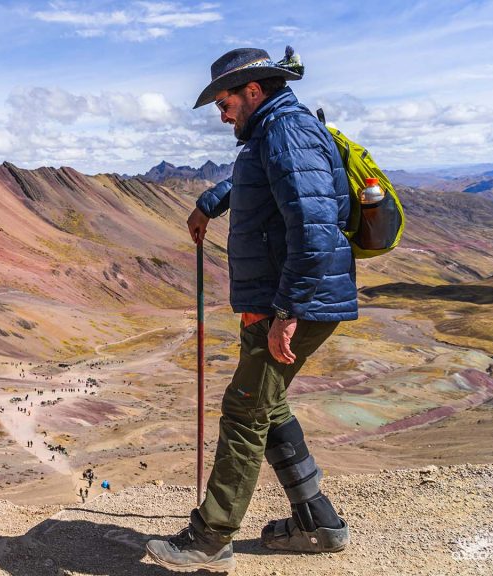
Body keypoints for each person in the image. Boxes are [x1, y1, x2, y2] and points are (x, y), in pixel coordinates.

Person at [145, 47, 355, 572]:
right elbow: (259, 182)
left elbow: (312, 223)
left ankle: (209, 538)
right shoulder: (273, 133)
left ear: (253, 92)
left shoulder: (286, 132)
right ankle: (317, 522)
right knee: (269, 403)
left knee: (245, 411)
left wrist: (288, 309)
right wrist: (210, 203)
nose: (221, 114)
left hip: (291, 302)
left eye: (225, 101)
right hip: (281, 298)